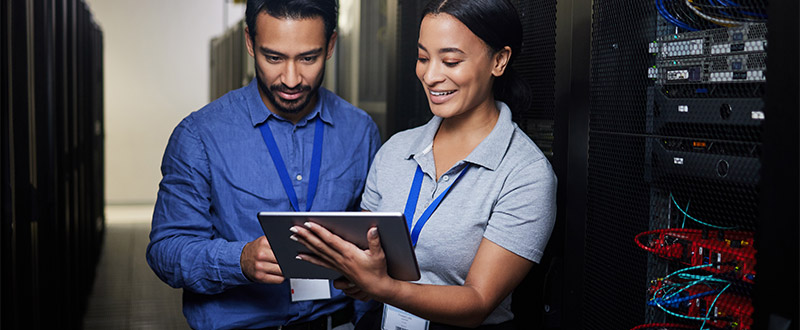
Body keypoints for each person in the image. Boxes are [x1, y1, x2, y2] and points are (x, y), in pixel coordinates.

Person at [287, 0, 557, 329]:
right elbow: (365, 249)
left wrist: (383, 287)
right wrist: (356, 272)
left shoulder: (525, 173)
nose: (430, 76)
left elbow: (478, 302)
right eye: (423, 58)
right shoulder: (396, 149)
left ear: (499, 60)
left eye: (451, 61)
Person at [145, 0, 381, 329]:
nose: (291, 79)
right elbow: (166, 251)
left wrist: (370, 280)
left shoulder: (360, 131)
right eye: (273, 58)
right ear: (249, 42)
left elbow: (375, 241)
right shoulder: (199, 135)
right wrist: (239, 260)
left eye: (308, 58)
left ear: (330, 45)